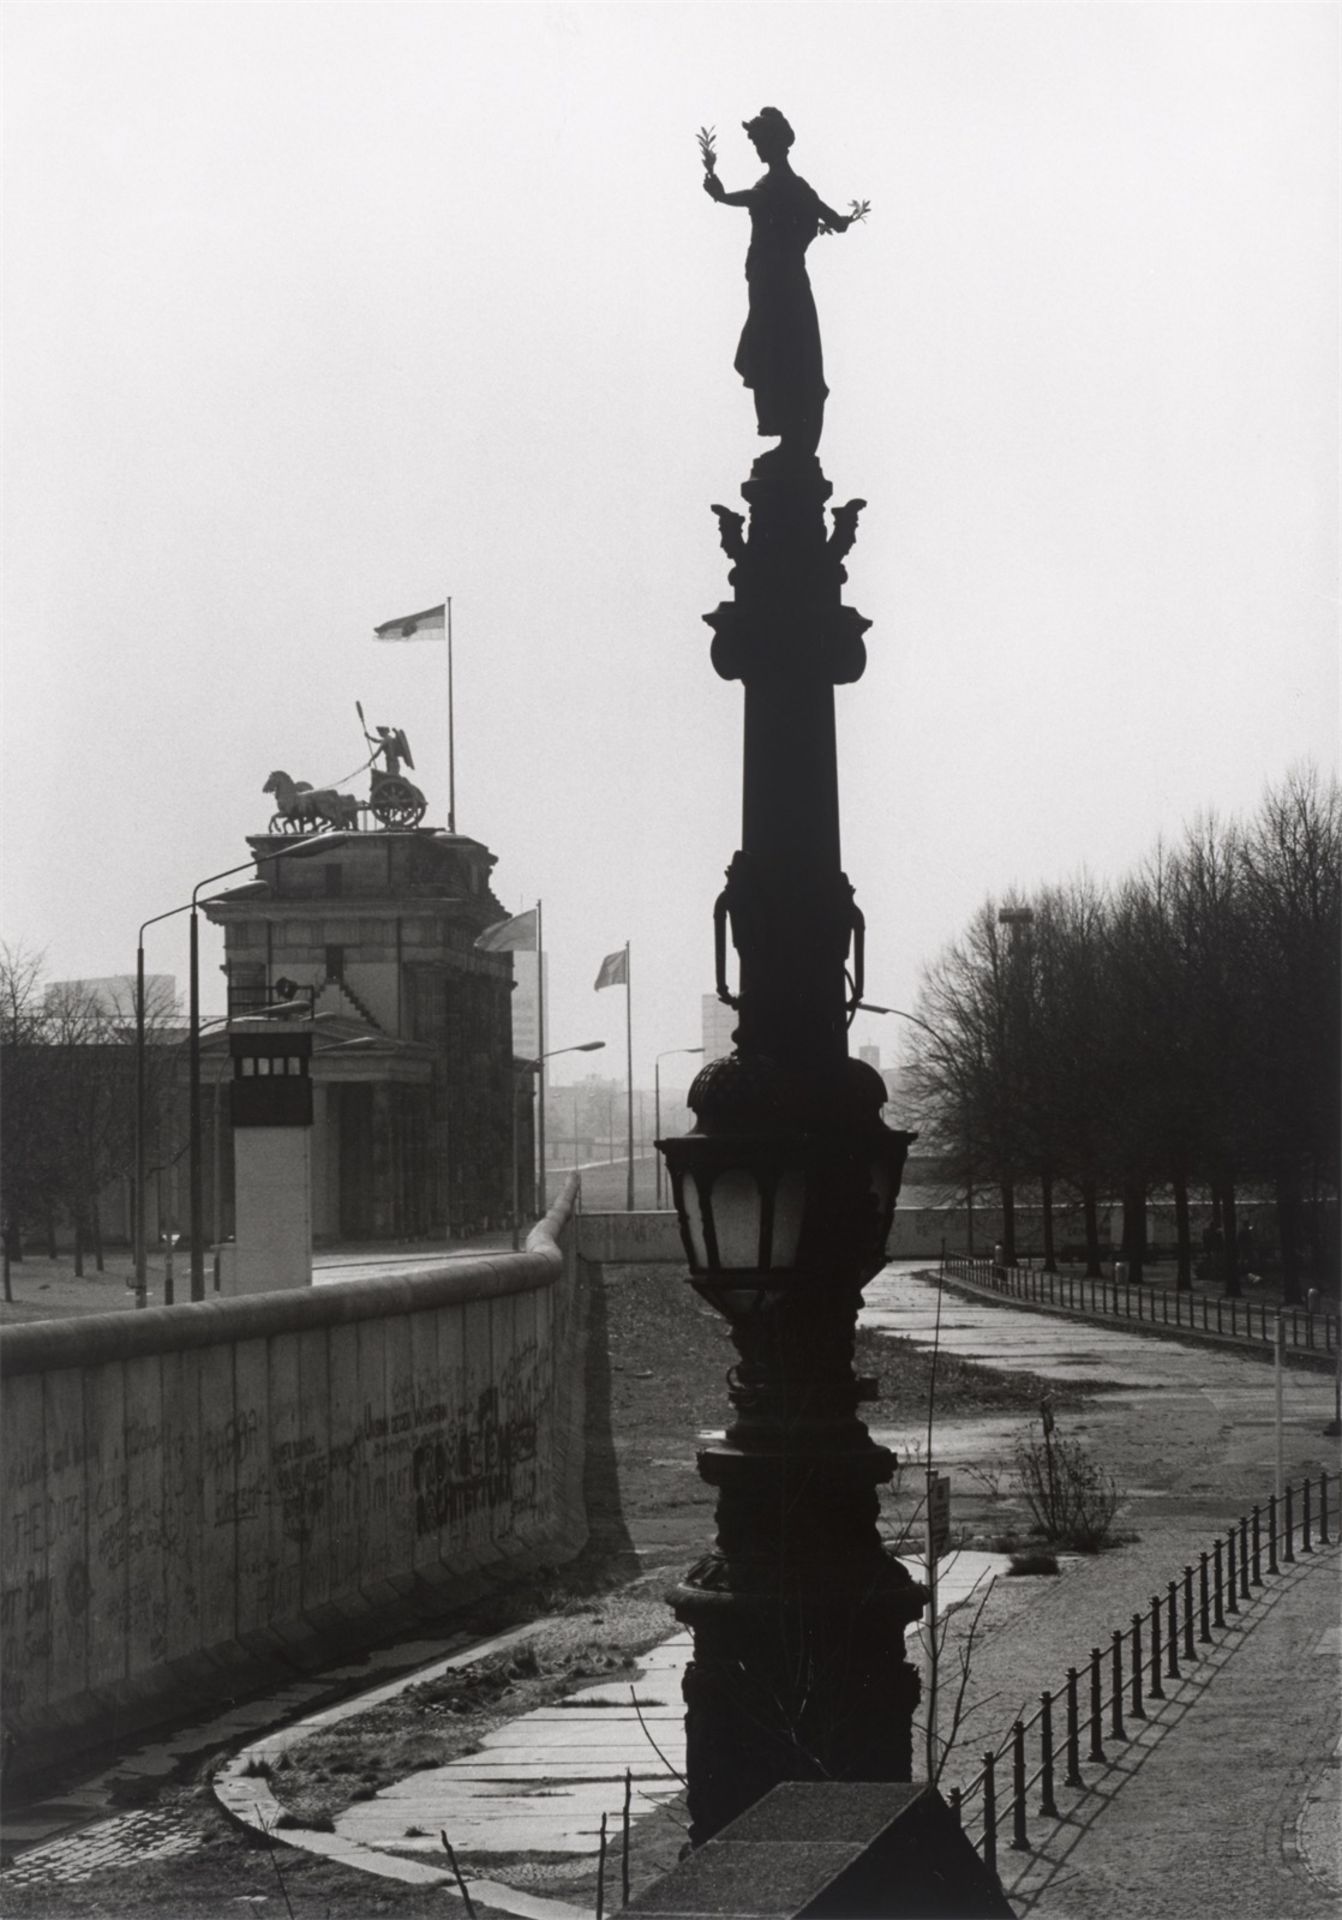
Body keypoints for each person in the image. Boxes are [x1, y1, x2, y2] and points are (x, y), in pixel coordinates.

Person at [703, 108, 856, 456]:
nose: (757, 149)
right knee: (786, 353)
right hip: (782, 282)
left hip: (775, 284)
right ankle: (792, 439)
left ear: (774, 143)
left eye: (759, 142)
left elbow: (755, 200)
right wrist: (838, 220)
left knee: (775, 350)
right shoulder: (799, 187)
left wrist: (721, 195)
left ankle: (791, 437)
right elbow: (831, 217)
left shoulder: (777, 185)